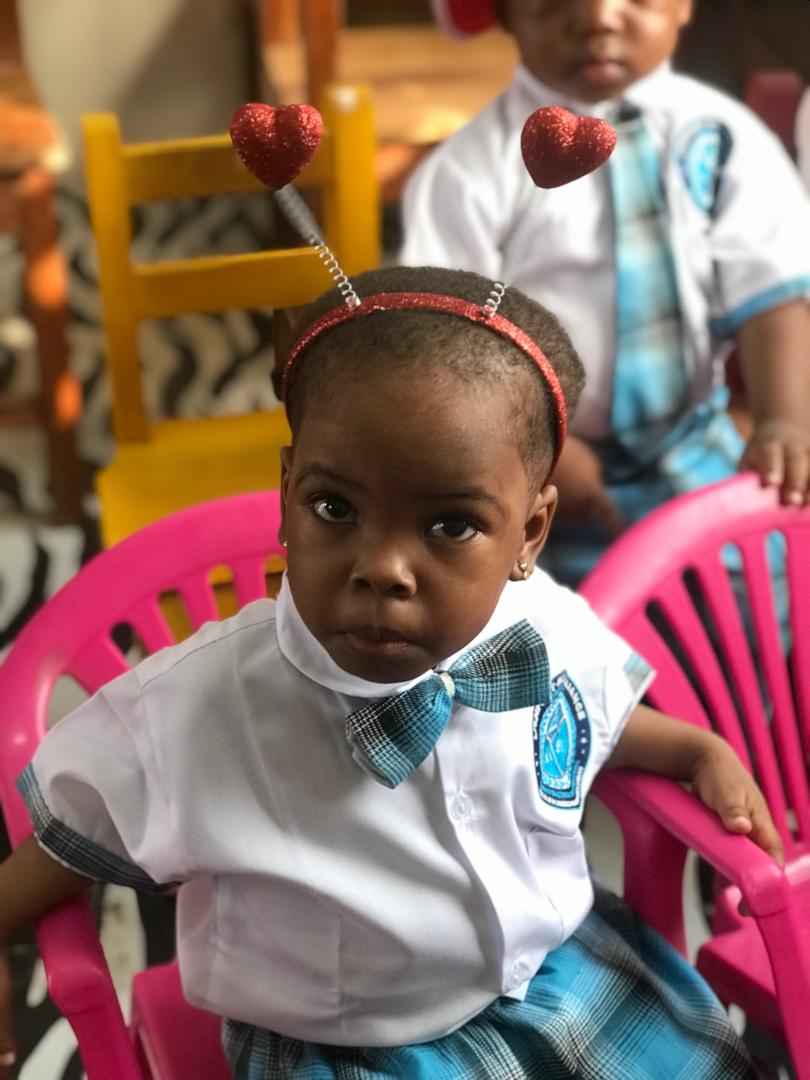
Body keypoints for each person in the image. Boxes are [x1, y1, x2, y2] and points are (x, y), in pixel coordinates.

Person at [0, 264, 782, 1078]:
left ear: (529, 534)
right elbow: (77, 827)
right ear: (286, 492)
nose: (383, 568)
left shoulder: (537, 624)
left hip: (559, 970)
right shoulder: (203, 702)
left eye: (451, 526)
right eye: (334, 508)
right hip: (347, 1042)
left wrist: (695, 750)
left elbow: (585, 717)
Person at [402, 0, 810, 585]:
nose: (598, 17)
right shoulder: (469, 170)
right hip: (535, 476)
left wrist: (784, 421)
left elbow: (772, 289)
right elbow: (445, 337)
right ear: (505, 14)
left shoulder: (725, 137)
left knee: (769, 587)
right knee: (550, 612)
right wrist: (535, 445)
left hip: (693, 446)